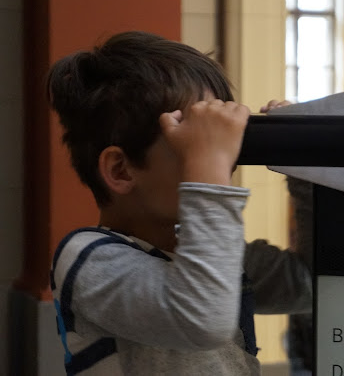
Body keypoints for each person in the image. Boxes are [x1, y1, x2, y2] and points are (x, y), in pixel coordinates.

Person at [48, 31, 312, 375]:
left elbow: (307, 285)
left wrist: (305, 167)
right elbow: (201, 319)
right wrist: (208, 168)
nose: (227, 165)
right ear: (121, 169)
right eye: (192, 146)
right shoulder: (89, 260)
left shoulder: (209, 253)